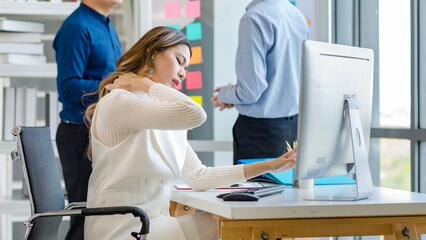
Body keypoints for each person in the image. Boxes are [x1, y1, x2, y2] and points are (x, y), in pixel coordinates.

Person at [83, 26, 296, 240]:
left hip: (156, 223)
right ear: (152, 53)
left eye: (186, 67)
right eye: (179, 60)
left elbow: (198, 176)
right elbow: (195, 114)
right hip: (124, 228)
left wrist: (271, 166)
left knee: (244, 223)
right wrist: (145, 83)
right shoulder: (118, 101)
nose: (183, 73)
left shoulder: (160, 112)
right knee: (245, 230)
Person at [52, 0, 122, 239]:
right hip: (80, 134)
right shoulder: (77, 26)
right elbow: (68, 87)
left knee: (100, 219)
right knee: (85, 219)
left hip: (100, 132)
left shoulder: (107, 26)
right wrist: (115, 86)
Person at [211, 0, 309, 164]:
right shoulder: (296, 16)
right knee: (285, 189)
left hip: (260, 134)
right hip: (293, 127)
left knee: (255, 189)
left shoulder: (254, 18)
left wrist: (225, 95)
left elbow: (250, 91)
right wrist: (236, 96)